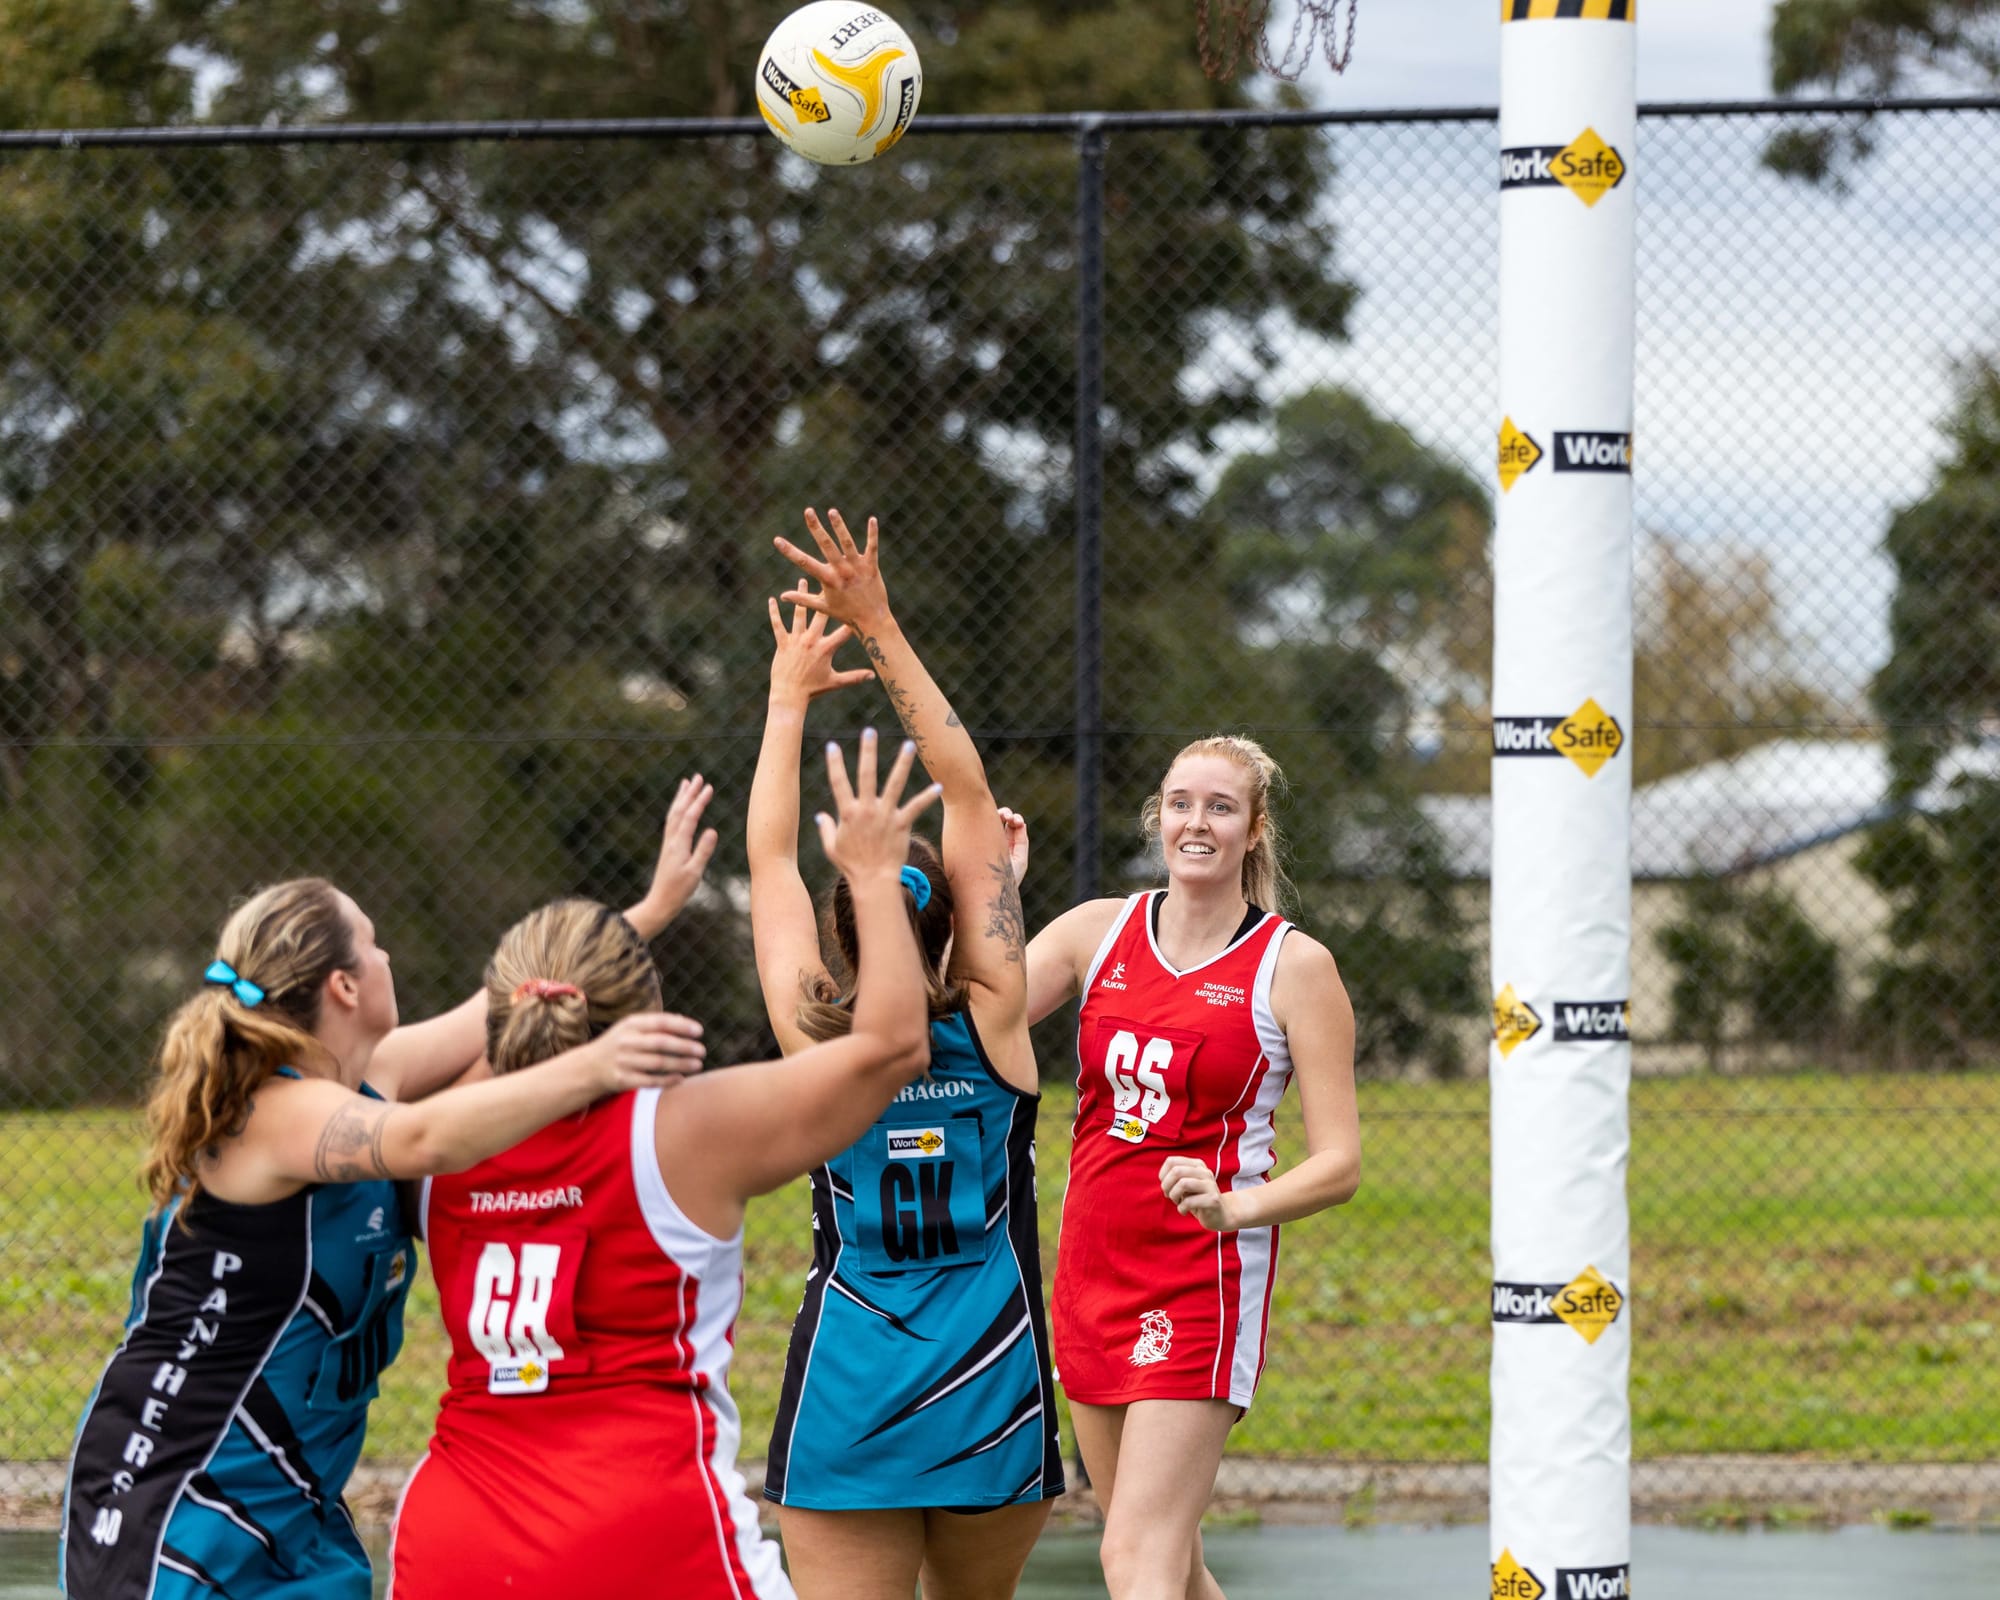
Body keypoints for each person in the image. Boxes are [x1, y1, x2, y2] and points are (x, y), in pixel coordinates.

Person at [60, 782, 721, 1600]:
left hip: (292, 1508)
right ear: (343, 985)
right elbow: (423, 1139)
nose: (387, 959)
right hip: (182, 1502)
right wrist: (596, 1064)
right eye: (372, 945)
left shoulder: (369, 1080)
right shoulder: (271, 1112)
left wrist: (649, 911)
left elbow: (507, 1005)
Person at [389, 732, 939, 1600]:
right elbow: (895, 1046)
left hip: (457, 1537)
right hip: (640, 1527)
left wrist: (631, 923)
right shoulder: (680, 1133)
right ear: (637, 1000)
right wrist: (873, 878)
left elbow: (494, 1026)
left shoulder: (423, 1139)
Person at [753, 509, 1063, 1600]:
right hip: (993, 1388)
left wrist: (790, 697)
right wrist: (878, 621)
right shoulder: (993, 1018)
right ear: (956, 927)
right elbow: (967, 790)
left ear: (846, 930)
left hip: (851, 1389)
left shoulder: (815, 1036)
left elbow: (768, 867)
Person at [1021, 735, 1361, 1600]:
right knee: (1171, 1562)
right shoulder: (1097, 933)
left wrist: (1233, 1208)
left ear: (1253, 830)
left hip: (1198, 1279)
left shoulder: (1293, 966)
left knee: (1135, 1562)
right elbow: (972, 1017)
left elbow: (1340, 1163)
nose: (1196, 823)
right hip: (1092, 1269)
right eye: (1180, 803)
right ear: (1158, 818)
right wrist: (994, 888)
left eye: (1219, 807)